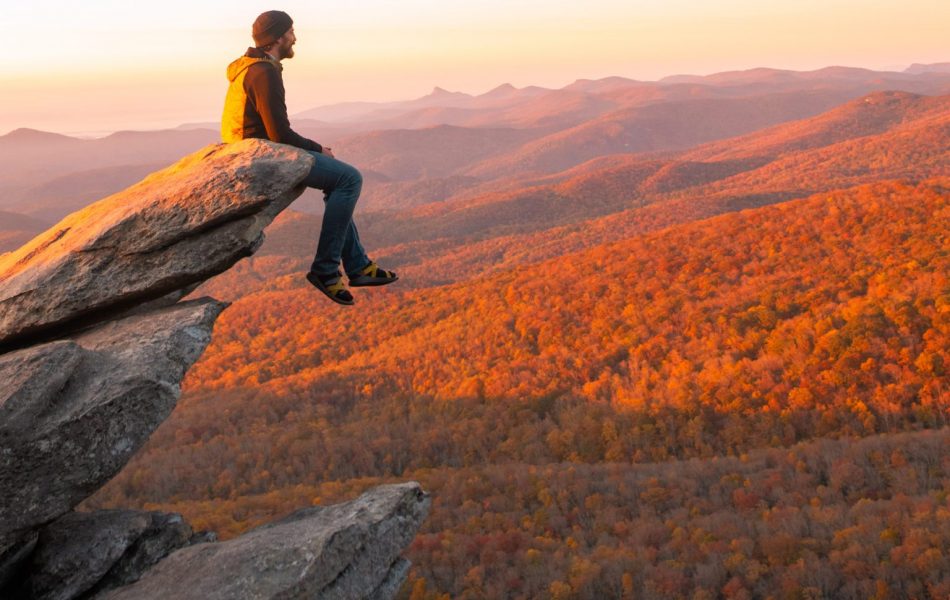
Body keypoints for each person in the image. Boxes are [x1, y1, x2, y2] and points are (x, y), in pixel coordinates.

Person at [221, 10, 397, 305]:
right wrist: (318, 148)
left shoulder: (254, 67)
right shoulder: (264, 72)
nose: (295, 38)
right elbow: (279, 134)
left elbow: (274, 129)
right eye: (290, 32)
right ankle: (326, 271)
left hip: (250, 150)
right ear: (278, 38)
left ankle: (357, 266)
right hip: (257, 156)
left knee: (341, 181)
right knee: (349, 178)